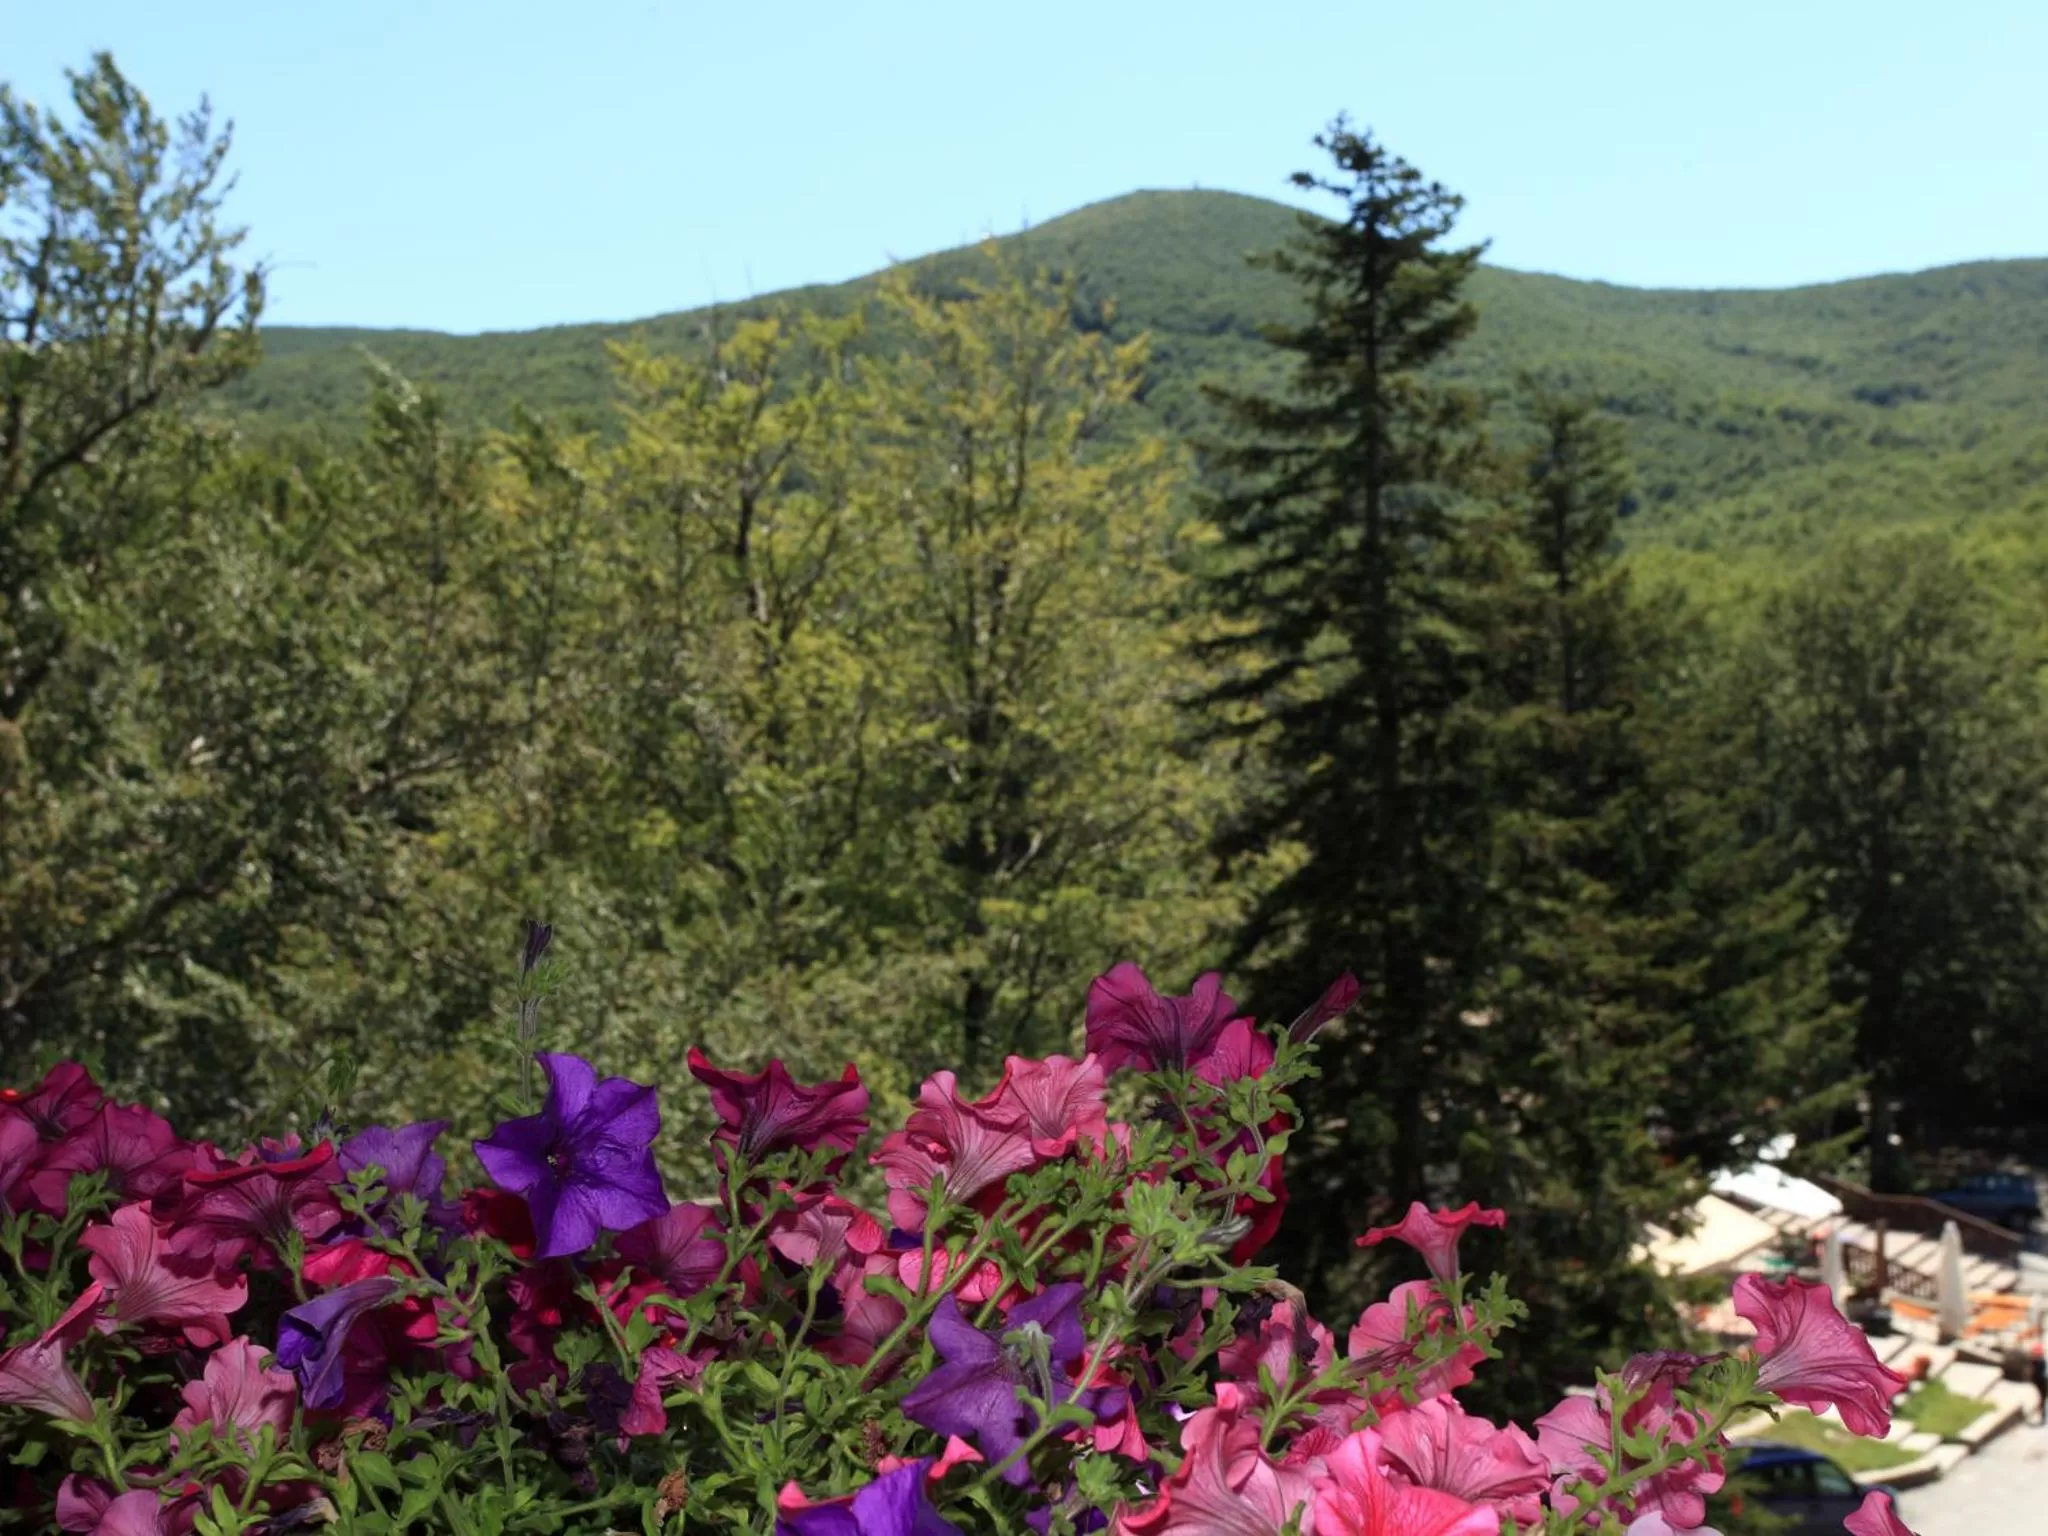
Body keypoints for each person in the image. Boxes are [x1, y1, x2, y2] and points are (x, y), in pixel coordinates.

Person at [2031, 1346, 2047, 1425]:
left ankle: (2041, 1418)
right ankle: (2041, 1417)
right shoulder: (2039, 1361)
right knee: (2041, 1401)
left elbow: (2037, 1374)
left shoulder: (2039, 1362)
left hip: (2040, 1383)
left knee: (2041, 1401)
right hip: (2039, 1383)